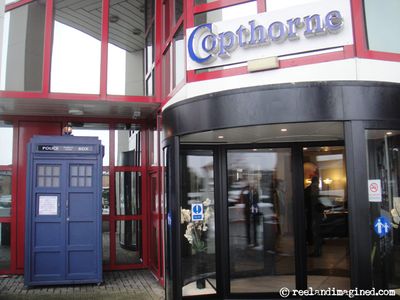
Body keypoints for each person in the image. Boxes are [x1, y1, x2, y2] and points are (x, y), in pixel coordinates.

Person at [304, 175, 323, 257]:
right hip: (315, 214)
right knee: (316, 232)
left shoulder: (309, 190)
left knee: (315, 232)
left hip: (312, 214)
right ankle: (317, 250)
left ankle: (317, 251)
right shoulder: (316, 190)